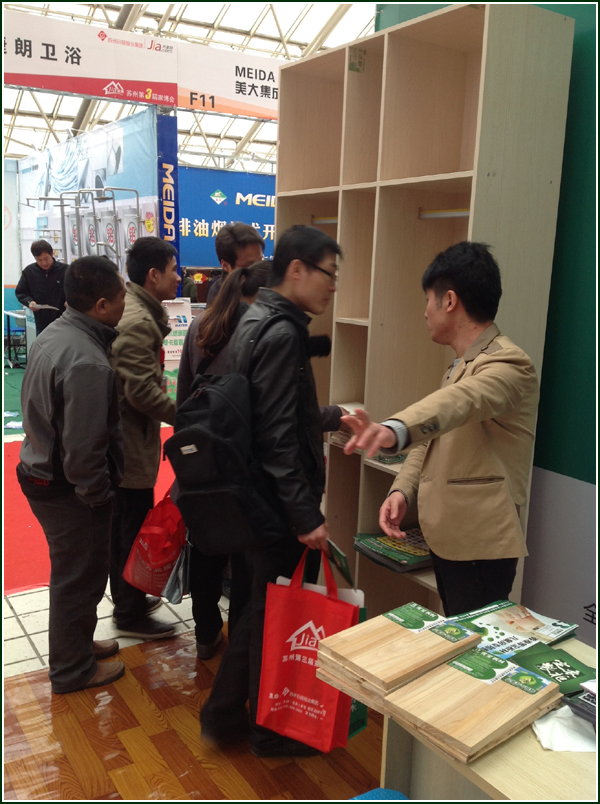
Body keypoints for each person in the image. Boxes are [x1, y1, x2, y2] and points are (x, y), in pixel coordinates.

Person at [200, 225, 342, 758]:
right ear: (298, 270)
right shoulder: (281, 333)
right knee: (269, 615)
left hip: (253, 498)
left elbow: (273, 415)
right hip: (277, 505)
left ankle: (222, 716)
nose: (333, 286)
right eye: (329, 274)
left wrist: (334, 417)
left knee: (260, 609)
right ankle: (266, 731)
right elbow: (278, 437)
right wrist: (306, 516)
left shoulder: (257, 317)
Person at [342, 241, 540, 617]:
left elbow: (460, 402)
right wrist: (403, 489)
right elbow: (433, 438)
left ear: (449, 301)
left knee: (475, 645)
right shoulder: (459, 365)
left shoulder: (510, 364)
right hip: (448, 538)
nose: (425, 312)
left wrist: (395, 428)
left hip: (479, 545)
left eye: (428, 300)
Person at [17, 256, 127, 694]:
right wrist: (98, 496)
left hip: (42, 470)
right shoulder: (86, 362)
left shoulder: (59, 333)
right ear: (101, 306)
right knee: (78, 578)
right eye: (121, 298)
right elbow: (84, 450)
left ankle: (78, 645)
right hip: (67, 489)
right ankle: (71, 669)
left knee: (77, 575)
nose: (125, 305)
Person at [177, 261, 271, 660]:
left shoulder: (199, 326)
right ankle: (241, 650)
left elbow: (183, 396)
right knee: (247, 560)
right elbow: (268, 411)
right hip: (244, 463)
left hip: (201, 460)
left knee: (206, 550)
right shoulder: (261, 332)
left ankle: (205, 635)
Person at [109, 236, 181, 640]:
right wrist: (185, 416)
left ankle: (129, 598)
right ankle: (129, 612)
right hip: (128, 445)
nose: (179, 277)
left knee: (128, 524)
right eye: (173, 270)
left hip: (130, 440)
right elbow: (140, 392)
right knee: (130, 527)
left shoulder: (140, 311)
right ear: (153, 275)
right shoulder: (138, 321)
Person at [15, 240, 69, 334]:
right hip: (41, 322)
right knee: (43, 343)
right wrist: (29, 302)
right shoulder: (29, 272)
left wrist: (70, 302)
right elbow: (21, 292)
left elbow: (76, 291)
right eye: (39, 260)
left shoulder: (66, 270)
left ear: (52, 254)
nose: (44, 263)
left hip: (64, 320)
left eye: (46, 258)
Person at [205, 222, 265, 305]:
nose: (259, 270)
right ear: (225, 265)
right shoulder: (218, 295)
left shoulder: (269, 287)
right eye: (250, 266)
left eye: (261, 261)